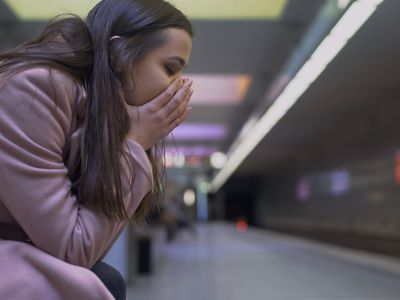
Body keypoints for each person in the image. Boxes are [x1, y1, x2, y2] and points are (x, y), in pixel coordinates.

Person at [0, 0, 193, 299]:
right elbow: (74, 249)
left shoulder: (104, 116)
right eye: (170, 69)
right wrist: (136, 141)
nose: (177, 87)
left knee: (105, 278)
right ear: (118, 54)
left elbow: (94, 248)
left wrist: (132, 139)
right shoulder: (35, 91)